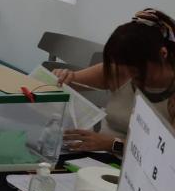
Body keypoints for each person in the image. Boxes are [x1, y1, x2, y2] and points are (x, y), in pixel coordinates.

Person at [55, 9, 175, 154]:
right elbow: (68, 83)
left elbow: (168, 156)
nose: (129, 75)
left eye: (135, 69)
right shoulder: (120, 70)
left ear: (162, 54)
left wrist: (112, 144)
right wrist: (63, 77)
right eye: (122, 67)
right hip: (96, 156)